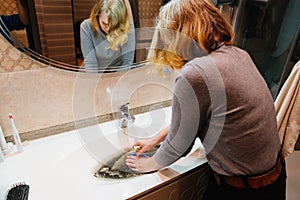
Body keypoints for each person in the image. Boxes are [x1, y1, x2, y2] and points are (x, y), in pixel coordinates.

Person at [125, 0, 286, 199]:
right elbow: (194, 119)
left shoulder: (196, 73)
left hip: (241, 191)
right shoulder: (238, 54)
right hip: (274, 181)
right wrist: (155, 139)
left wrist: (147, 164)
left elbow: (178, 146)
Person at [80, 0, 135, 71]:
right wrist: (95, 81)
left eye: (113, 25)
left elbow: (127, 62)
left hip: (116, 73)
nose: (108, 29)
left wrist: (118, 80)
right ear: (97, 15)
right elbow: (91, 64)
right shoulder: (86, 27)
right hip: (93, 73)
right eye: (104, 23)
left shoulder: (125, 27)